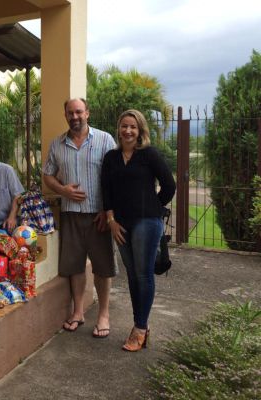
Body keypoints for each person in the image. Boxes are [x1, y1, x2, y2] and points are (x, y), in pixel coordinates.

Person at [101, 109, 176, 351]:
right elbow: (107, 191)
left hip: (146, 222)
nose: (128, 131)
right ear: (119, 129)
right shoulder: (111, 158)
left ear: (140, 130)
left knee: (143, 274)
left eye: (133, 127)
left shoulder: (149, 155)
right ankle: (139, 324)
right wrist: (111, 220)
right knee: (132, 275)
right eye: (124, 126)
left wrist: (153, 206)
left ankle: (140, 329)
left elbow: (169, 185)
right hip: (120, 224)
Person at [43, 98, 116, 338]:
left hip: (99, 216)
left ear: (88, 113)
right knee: (74, 266)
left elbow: (116, 177)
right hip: (71, 215)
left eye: (79, 112)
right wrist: (62, 190)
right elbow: (47, 175)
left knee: (103, 268)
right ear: (65, 115)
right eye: (70, 113)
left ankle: (103, 315)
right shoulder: (57, 144)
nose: (75, 117)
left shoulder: (105, 140)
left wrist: (108, 211)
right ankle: (78, 312)